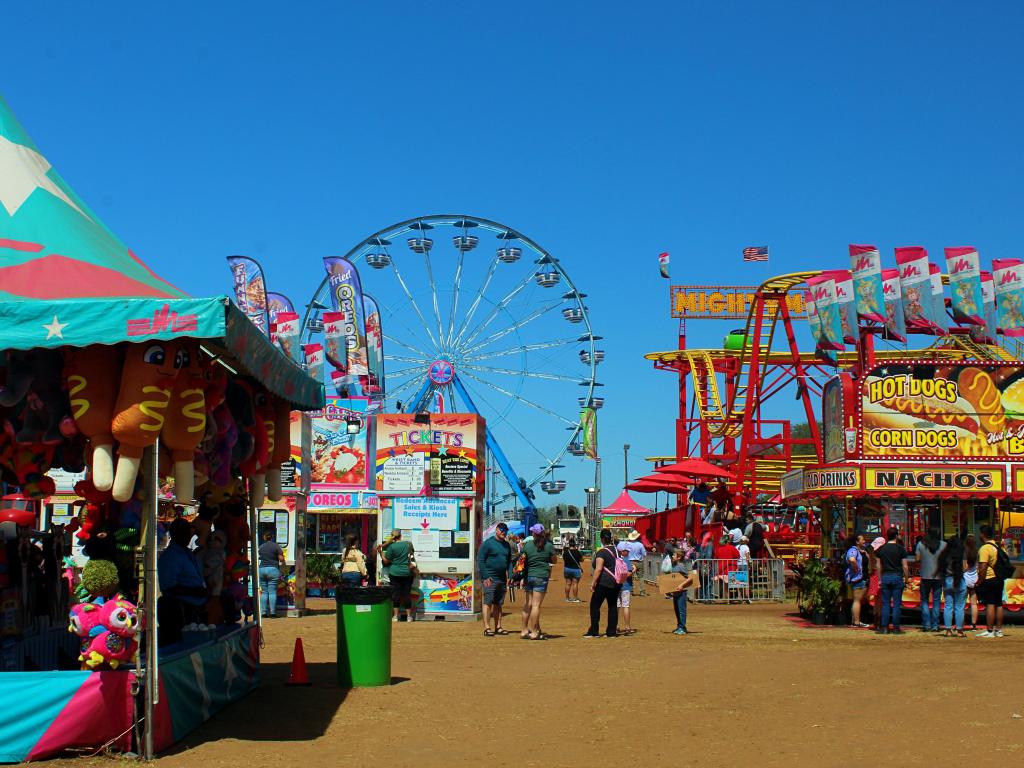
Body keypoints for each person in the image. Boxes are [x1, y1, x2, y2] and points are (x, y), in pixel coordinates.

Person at [157, 518, 208, 646]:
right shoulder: (171, 556)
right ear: (176, 534)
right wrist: (195, 591)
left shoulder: (186, 552)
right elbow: (168, 586)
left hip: (194, 608)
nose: (189, 535)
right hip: (180, 611)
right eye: (185, 532)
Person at [520, 523, 556, 640]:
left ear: (534, 534)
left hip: (529, 576)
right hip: (541, 577)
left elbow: (522, 559)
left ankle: (524, 630)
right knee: (536, 605)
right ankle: (534, 631)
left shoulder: (527, 545)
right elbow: (554, 560)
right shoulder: (548, 546)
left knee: (528, 604)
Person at [478, 522, 513, 636]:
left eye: (505, 530)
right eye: (502, 530)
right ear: (496, 530)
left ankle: (498, 627)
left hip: (502, 578)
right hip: (490, 578)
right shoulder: (488, 544)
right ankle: (487, 628)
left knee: (498, 603)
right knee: (488, 602)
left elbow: (509, 562)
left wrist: (511, 575)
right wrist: (485, 576)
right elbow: (481, 560)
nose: (504, 532)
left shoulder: (506, 545)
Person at [585, 529, 621, 638]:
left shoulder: (602, 552)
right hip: (616, 582)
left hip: (603, 582)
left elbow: (599, 569)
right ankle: (611, 632)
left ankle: (594, 631)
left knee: (595, 606)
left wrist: (593, 583)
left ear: (601, 539)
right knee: (612, 606)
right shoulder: (617, 551)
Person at [874, 527, 908, 635]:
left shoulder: (881, 549)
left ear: (887, 536)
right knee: (897, 604)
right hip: (897, 576)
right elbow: (905, 566)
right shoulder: (901, 549)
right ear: (897, 536)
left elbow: (878, 566)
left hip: (886, 576)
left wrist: (879, 579)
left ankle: (884, 627)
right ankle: (896, 628)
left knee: (885, 604)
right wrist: (906, 578)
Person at [976, 525, 1006, 638]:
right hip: (999, 578)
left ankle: (989, 630)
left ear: (983, 534)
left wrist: (980, 580)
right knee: (998, 604)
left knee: (990, 604)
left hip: (989, 578)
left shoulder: (985, 548)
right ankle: (998, 630)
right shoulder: (998, 546)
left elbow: (983, 566)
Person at [915, 527, 946, 632]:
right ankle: (935, 625)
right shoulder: (943, 545)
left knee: (924, 600)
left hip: (925, 576)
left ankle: (926, 625)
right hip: (938, 576)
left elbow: (917, 559)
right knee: (936, 601)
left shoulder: (921, 544)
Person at [381, 530, 416, 622]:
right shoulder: (407, 545)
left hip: (394, 572)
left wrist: (381, 553)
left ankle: (396, 616)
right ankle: (409, 616)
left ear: (392, 536)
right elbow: (412, 556)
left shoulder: (391, 547)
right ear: (401, 536)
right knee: (406, 594)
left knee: (396, 594)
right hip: (407, 572)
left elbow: (386, 561)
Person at [937, 535, 967, 637]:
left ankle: (948, 630)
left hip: (947, 581)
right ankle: (959, 631)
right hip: (958, 581)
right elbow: (966, 568)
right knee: (959, 607)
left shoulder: (944, 555)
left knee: (948, 606)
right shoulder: (960, 554)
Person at [666, 549, 697, 635]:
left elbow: (690, 577)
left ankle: (682, 628)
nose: (672, 556)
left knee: (681, 610)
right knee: (677, 610)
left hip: (681, 592)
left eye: (674, 555)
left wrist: (682, 585)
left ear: (679, 557)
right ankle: (679, 626)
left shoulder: (681, 566)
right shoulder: (674, 565)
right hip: (675, 592)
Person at [257, 529, 286, 617]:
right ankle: (273, 613)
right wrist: (283, 566)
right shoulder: (276, 546)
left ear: (264, 538)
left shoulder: (261, 547)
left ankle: (263, 613)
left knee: (264, 592)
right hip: (273, 569)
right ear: (272, 537)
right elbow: (281, 559)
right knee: (272, 592)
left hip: (262, 569)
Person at [843, 533, 869, 628]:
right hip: (859, 578)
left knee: (857, 600)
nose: (864, 541)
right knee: (857, 600)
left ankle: (855, 620)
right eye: (862, 539)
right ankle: (856, 622)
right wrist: (856, 568)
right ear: (857, 542)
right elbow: (852, 559)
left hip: (862, 578)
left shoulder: (862, 551)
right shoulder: (853, 550)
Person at [616, 542, 637, 635]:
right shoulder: (626, 560)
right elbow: (628, 574)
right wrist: (633, 570)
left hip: (616, 586)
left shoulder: (615, 560)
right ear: (623, 551)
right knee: (625, 606)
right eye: (627, 551)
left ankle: (615, 625)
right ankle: (627, 627)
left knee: (616, 607)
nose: (628, 552)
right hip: (625, 586)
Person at [623, 530, 647, 596]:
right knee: (641, 577)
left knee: (630, 576)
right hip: (639, 562)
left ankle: (630, 591)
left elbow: (624, 553)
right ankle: (642, 591)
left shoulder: (627, 544)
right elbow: (644, 554)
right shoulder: (640, 544)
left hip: (630, 562)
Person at [964, 534, 979, 630]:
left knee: (961, 603)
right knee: (974, 604)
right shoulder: (978, 552)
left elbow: (964, 568)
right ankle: (973, 625)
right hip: (974, 580)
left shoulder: (964, 552)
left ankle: (961, 622)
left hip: (965, 580)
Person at [562, 536, 584, 603]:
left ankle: (567, 598)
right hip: (575, 569)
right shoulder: (577, 552)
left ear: (569, 544)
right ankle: (575, 598)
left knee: (568, 583)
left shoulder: (565, 552)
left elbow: (564, 559)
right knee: (575, 583)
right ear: (574, 544)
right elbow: (582, 560)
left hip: (567, 569)